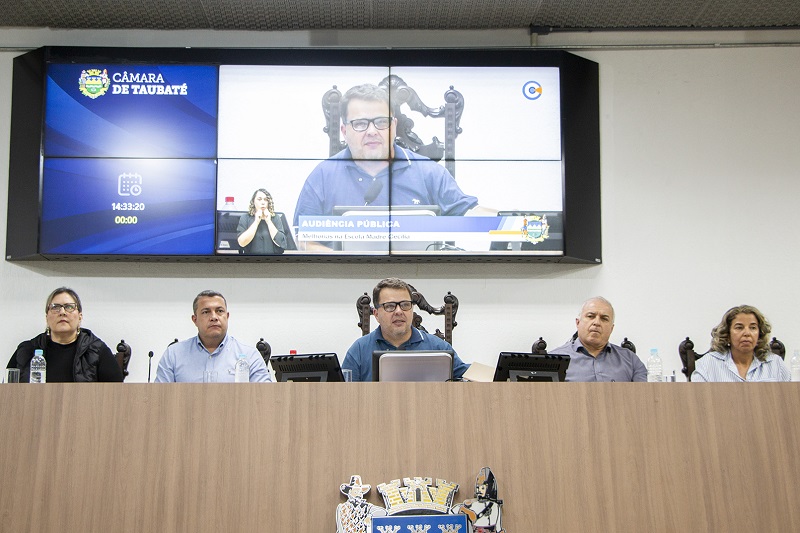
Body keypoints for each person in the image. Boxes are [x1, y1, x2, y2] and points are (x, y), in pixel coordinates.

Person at [293, 84, 492, 249]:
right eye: (360, 124)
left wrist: (507, 222)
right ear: (344, 131)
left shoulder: (428, 172)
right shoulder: (323, 175)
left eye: (381, 122)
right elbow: (303, 240)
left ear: (394, 126)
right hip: (345, 278)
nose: (372, 131)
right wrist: (348, 264)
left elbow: (469, 212)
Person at [342, 277, 469, 381]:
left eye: (405, 305)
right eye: (390, 306)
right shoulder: (359, 349)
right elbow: (345, 394)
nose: (399, 311)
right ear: (376, 314)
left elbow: (468, 377)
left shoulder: (438, 347)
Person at [7, 287, 123, 382]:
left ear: (80, 317)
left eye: (69, 307)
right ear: (47, 317)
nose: (62, 312)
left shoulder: (96, 350)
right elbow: (8, 393)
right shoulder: (27, 350)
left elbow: (116, 395)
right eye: (55, 307)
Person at [155, 290, 272, 382]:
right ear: (195, 320)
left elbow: (264, 396)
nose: (214, 317)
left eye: (219, 311)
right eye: (206, 312)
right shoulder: (174, 355)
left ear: (227, 316)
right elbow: (159, 397)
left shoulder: (250, 355)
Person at [549, 296, 647, 382]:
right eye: (590, 316)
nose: (596, 323)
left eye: (604, 318)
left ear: (611, 328)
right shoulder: (554, 360)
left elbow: (645, 394)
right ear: (578, 323)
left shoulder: (631, 361)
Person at [692, 305, 790, 382]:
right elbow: (697, 398)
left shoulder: (775, 363)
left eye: (753, 328)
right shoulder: (708, 364)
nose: (747, 333)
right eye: (739, 327)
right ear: (727, 334)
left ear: (760, 334)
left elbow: (791, 398)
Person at [237, 188, 295, 254]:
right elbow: (242, 243)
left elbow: (282, 243)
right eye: (259, 199)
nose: (263, 202)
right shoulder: (245, 218)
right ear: (253, 201)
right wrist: (256, 222)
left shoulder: (276, 218)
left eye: (265, 200)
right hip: (251, 259)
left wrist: (269, 222)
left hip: (272, 259)